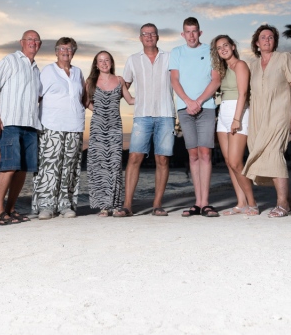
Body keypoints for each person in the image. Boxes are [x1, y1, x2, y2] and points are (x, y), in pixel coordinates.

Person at [114, 23, 175, 217]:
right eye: (144, 34)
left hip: (166, 114)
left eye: (152, 33)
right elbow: (125, 84)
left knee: (162, 159)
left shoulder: (170, 58)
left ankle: (157, 205)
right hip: (142, 115)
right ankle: (127, 205)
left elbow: (180, 80)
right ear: (140, 38)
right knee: (134, 158)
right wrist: (130, 99)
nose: (148, 36)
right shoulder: (133, 60)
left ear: (158, 37)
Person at [243, 24, 291, 218]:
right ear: (256, 43)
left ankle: (282, 205)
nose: (267, 40)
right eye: (263, 37)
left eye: (270, 37)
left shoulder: (285, 58)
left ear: (274, 41)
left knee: (275, 153)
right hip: (258, 117)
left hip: (279, 113)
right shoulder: (252, 66)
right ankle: (289, 203)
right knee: (262, 155)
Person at [0, 30, 42, 225]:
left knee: (22, 170)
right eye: (29, 39)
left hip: (30, 125)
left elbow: (39, 97)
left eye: (36, 40)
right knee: (9, 167)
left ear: (39, 44)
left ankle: (9, 209)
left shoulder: (36, 69)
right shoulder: (11, 60)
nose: (33, 43)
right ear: (22, 42)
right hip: (10, 122)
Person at [169, 17, 221, 218]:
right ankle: (197, 203)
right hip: (185, 109)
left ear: (200, 32)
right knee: (193, 155)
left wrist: (198, 101)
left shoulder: (210, 51)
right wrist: (188, 102)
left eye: (194, 31)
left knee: (205, 153)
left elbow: (215, 80)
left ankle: (205, 203)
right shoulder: (177, 52)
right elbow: (174, 80)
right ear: (183, 34)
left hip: (206, 107)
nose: (191, 35)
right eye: (187, 32)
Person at [31, 38, 86, 220]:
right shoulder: (48, 71)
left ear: (73, 52)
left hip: (74, 125)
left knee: (69, 167)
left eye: (69, 49)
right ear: (56, 51)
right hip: (51, 124)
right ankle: (45, 206)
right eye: (62, 48)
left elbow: (83, 99)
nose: (65, 51)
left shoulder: (78, 73)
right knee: (49, 167)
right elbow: (37, 97)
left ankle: (65, 204)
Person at [210, 35, 258, 216]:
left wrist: (237, 119)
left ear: (233, 45)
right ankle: (241, 203)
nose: (223, 49)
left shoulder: (240, 65)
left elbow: (243, 93)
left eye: (225, 45)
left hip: (238, 112)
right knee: (229, 163)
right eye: (219, 47)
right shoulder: (222, 69)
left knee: (237, 162)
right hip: (223, 113)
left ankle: (252, 203)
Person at [85, 51, 134, 216]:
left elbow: (130, 100)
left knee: (114, 165)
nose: (104, 63)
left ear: (111, 63)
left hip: (115, 127)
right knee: (98, 166)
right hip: (98, 128)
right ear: (96, 64)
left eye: (107, 60)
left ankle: (114, 205)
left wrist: (148, 94)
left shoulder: (119, 80)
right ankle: (103, 207)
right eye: (100, 61)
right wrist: (99, 111)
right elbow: (86, 102)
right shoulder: (90, 81)